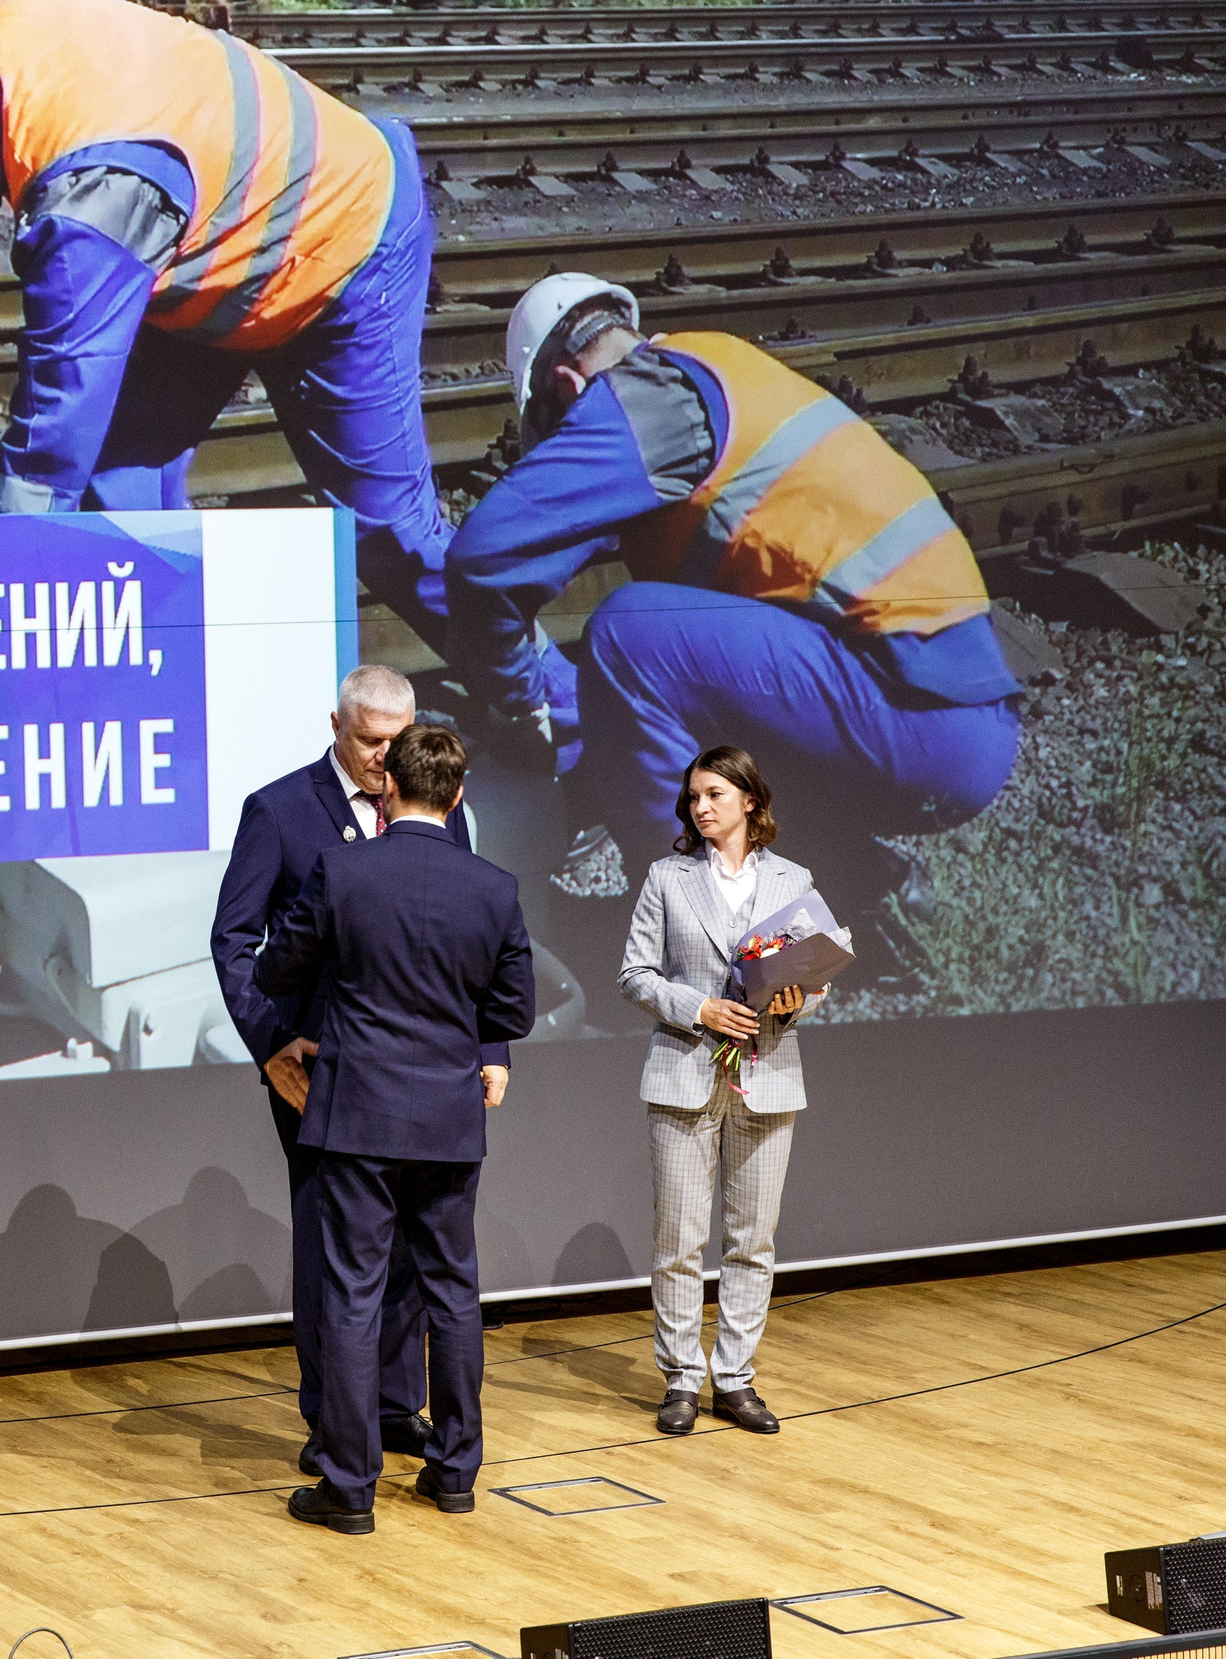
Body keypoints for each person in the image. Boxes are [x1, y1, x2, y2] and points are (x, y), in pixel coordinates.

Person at [0, 0, 456, 652]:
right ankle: (161, 681)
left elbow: (51, 434)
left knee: (394, 539)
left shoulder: (90, 198)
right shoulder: (5, 29)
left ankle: (549, 717)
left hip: (345, 243)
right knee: (116, 484)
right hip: (222, 244)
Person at [443, 273, 1023, 916]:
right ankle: (849, 875)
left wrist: (522, 711)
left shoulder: (646, 395)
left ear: (566, 387)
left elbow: (482, 559)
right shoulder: (718, 366)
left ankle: (691, 933)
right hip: (965, 724)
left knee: (629, 638)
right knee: (680, 685)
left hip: (914, 720)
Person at [212, 664, 502, 1475]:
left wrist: (489, 1046)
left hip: (428, 1074)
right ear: (335, 726)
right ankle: (332, 1421)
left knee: (415, 1254)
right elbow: (235, 942)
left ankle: (390, 1404)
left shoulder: (441, 813)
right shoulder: (279, 810)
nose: (383, 756)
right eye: (370, 739)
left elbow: (468, 942)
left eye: (395, 741)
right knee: (332, 1252)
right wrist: (271, 1045)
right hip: (316, 1072)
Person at [254, 723, 535, 1533]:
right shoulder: (495, 887)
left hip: (358, 1117)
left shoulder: (343, 871)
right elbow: (511, 1007)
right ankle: (453, 1473)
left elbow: (275, 967)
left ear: (387, 787)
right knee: (451, 1293)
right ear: (459, 793)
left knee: (352, 1296)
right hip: (448, 1118)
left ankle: (349, 1488)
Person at [617, 747, 823, 1437]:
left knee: (752, 1239)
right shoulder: (668, 879)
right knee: (678, 1238)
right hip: (685, 1069)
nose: (700, 807)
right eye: (693, 798)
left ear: (749, 802)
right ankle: (681, 1375)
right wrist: (699, 1007)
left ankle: (734, 1376)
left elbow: (815, 983)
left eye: (713, 794)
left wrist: (795, 1000)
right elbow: (635, 973)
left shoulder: (794, 881)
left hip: (767, 1072)